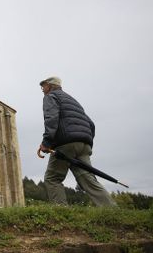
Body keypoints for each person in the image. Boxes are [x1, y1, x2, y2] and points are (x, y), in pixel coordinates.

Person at [37, 76, 116, 207]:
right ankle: (112, 210)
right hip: (84, 144)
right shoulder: (72, 100)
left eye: (43, 86)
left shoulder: (50, 97)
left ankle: (62, 212)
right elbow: (91, 124)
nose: (42, 90)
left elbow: (51, 119)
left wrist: (46, 142)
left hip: (66, 145)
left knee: (52, 178)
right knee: (88, 179)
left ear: (50, 86)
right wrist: (86, 141)